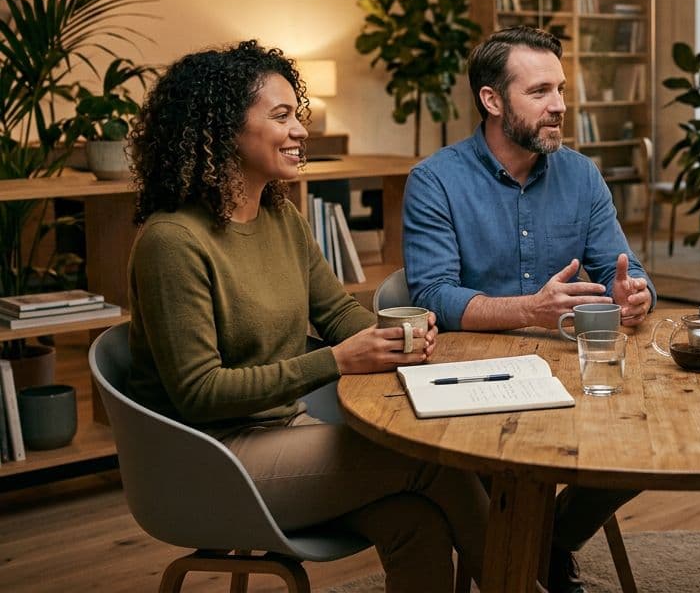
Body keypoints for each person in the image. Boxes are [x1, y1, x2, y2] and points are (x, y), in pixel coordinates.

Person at [125, 41, 488, 592]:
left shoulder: (281, 218)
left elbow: (337, 309)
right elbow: (199, 393)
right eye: (280, 116)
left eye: (299, 114)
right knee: (438, 461)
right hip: (212, 458)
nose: (300, 130)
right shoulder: (172, 242)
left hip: (287, 430)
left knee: (417, 522)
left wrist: (394, 333)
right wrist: (337, 361)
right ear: (223, 130)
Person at [403, 25, 654, 593]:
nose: (560, 106)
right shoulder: (434, 181)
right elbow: (432, 296)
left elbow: (628, 269)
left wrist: (633, 294)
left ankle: (546, 542)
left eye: (561, 90)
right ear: (492, 101)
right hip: (474, 379)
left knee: (650, 444)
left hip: (569, 368)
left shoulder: (582, 175)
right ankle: (539, 559)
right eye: (539, 91)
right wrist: (530, 309)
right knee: (501, 469)